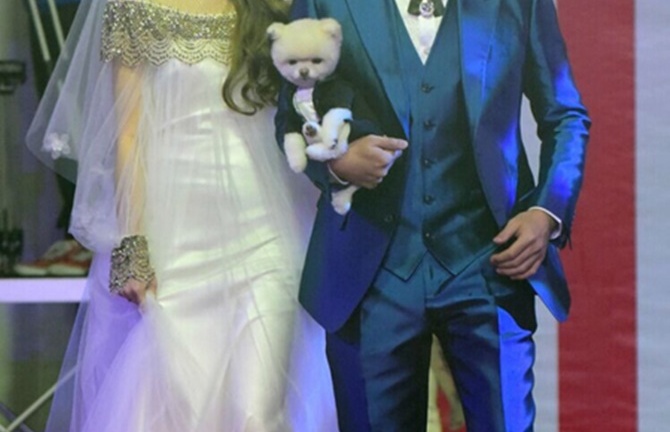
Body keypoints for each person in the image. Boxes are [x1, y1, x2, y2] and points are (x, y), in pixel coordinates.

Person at [276, 0, 591, 431]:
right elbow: (291, 112)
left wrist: (545, 211)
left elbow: (565, 116)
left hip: (490, 264)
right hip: (369, 275)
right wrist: (338, 164)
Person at [27, 0, 337, 431]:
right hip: (174, 233)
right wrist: (133, 242)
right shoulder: (132, 8)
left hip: (266, 224)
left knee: (261, 408)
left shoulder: (271, 5)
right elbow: (129, 133)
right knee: (177, 401)